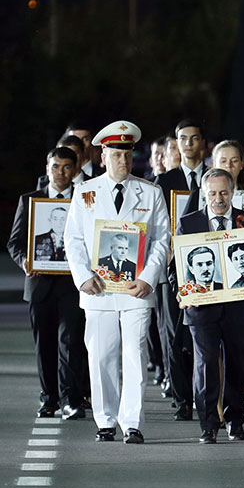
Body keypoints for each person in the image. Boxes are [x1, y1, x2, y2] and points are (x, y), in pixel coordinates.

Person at [64, 121, 170, 444]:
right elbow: (73, 239)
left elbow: (162, 240)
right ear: (102, 155)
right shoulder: (85, 193)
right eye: (116, 154)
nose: (123, 161)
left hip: (136, 288)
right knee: (101, 352)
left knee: (135, 351)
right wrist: (83, 277)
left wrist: (148, 278)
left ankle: (132, 422)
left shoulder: (151, 192)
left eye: (127, 154)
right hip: (98, 287)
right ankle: (105, 419)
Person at [178, 168, 244, 443]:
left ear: (233, 191)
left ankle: (235, 420)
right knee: (205, 365)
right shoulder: (188, 222)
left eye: (223, 192)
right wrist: (181, 291)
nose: (218, 198)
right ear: (204, 194)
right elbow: (177, 267)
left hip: (239, 307)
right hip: (202, 308)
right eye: (212, 193)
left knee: (238, 365)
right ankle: (208, 424)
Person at [7, 147, 88, 420]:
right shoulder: (31, 201)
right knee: (44, 345)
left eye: (67, 167)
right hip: (39, 284)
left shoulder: (84, 199)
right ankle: (48, 398)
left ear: (75, 170)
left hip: (72, 284)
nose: (61, 172)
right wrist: (25, 262)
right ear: (47, 168)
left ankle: (70, 399)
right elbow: (15, 243)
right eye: (56, 166)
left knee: (70, 342)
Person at [153, 118, 209, 421]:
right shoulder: (164, 182)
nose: (188, 143)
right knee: (172, 335)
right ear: (175, 144)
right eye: (183, 139)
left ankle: (205, 396)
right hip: (170, 267)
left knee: (202, 333)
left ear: (203, 143)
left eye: (194, 138)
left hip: (206, 266)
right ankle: (182, 398)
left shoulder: (214, 179)